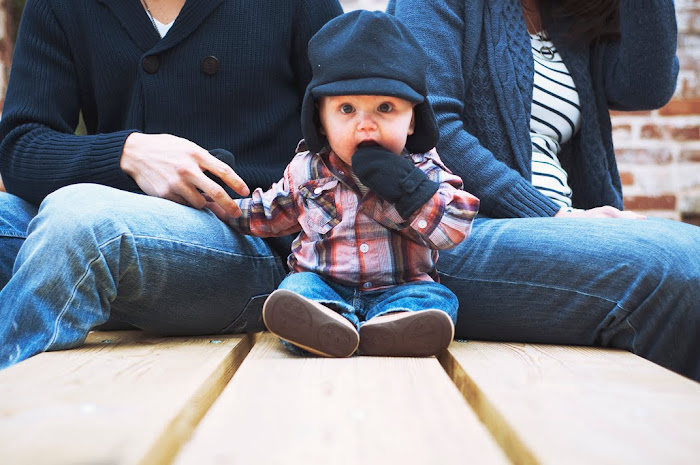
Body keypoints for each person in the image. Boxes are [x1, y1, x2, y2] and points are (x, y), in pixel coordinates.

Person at [0, 0, 343, 370]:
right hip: (110, 232)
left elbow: (352, 117)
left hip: (251, 242)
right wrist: (127, 153)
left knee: (83, 222)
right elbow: (21, 146)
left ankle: (21, 402)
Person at [388, 0, 700, 381]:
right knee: (679, 261)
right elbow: (430, 127)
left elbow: (645, 87)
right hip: (451, 235)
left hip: (551, 231)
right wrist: (550, 215)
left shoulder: (566, 15)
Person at [225, 10, 480, 358]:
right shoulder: (307, 171)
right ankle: (324, 325)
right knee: (296, 288)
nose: (366, 125)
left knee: (435, 298)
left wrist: (408, 189)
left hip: (401, 287)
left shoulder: (424, 169)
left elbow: (455, 228)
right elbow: (268, 212)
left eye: (385, 107)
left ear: (411, 121)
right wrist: (222, 203)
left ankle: (397, 326)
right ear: (321, 122)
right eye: (347, 109)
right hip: (324, 284)